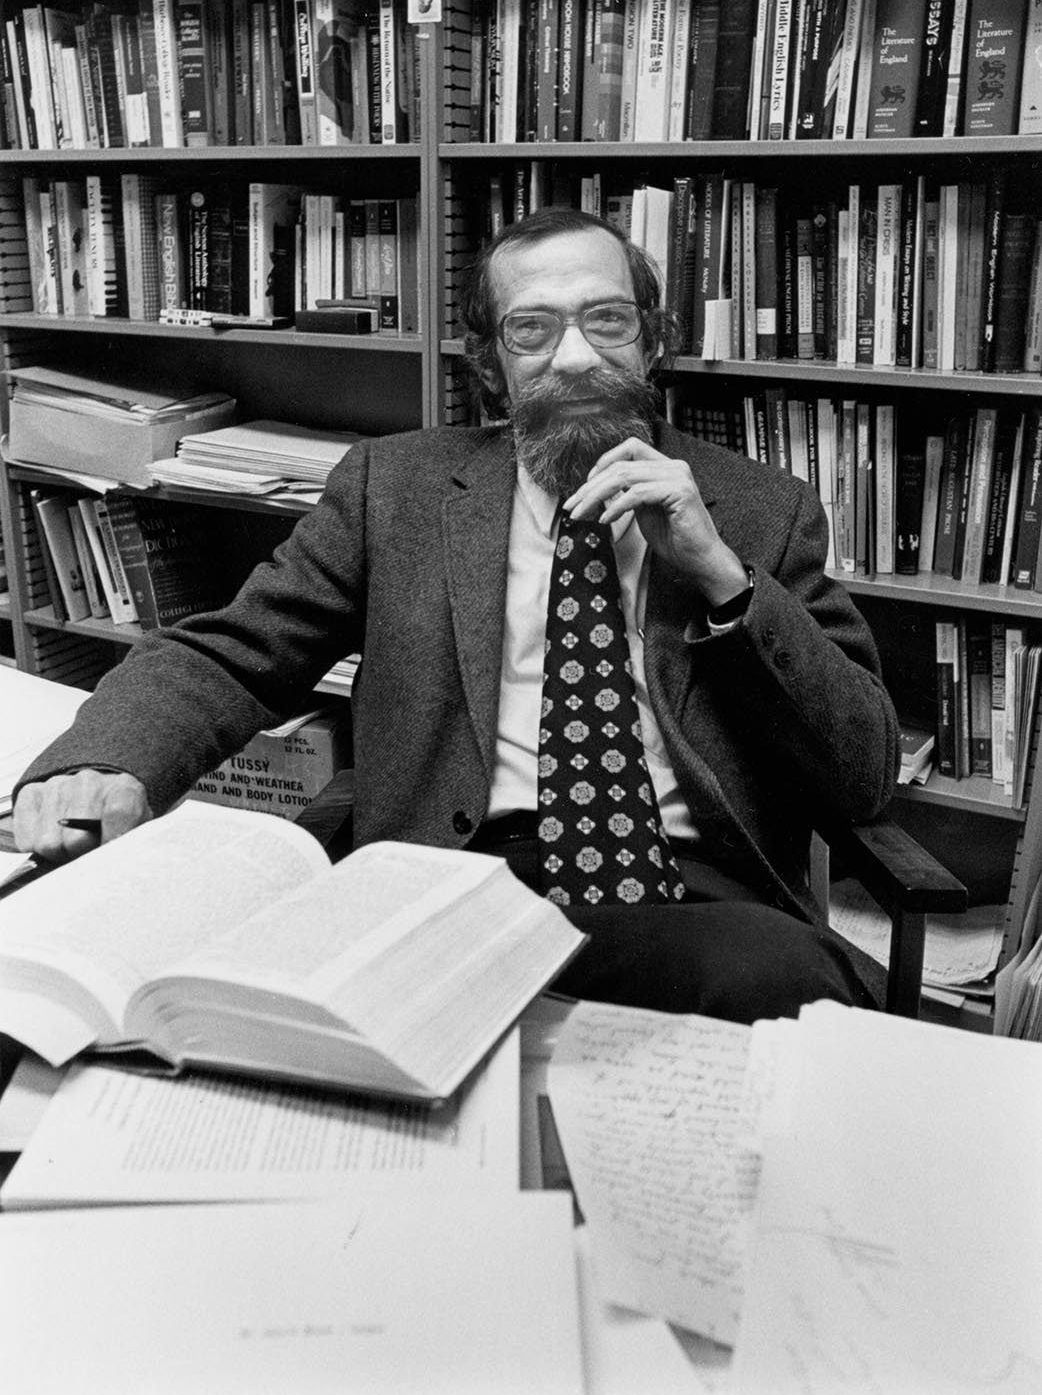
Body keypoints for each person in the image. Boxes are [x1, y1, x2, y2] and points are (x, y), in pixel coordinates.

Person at [13, 207, 899, 1019]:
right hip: (452, 879)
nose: (577, 357)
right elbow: (234, 653)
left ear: (650, 341)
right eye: (532, 329)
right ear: (490, 366)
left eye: (608, 320)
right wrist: (106, 759)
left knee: (782, 979)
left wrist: (721, 576)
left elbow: (861, 771)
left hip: (687, 894)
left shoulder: (760, 510)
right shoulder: (394, 489)